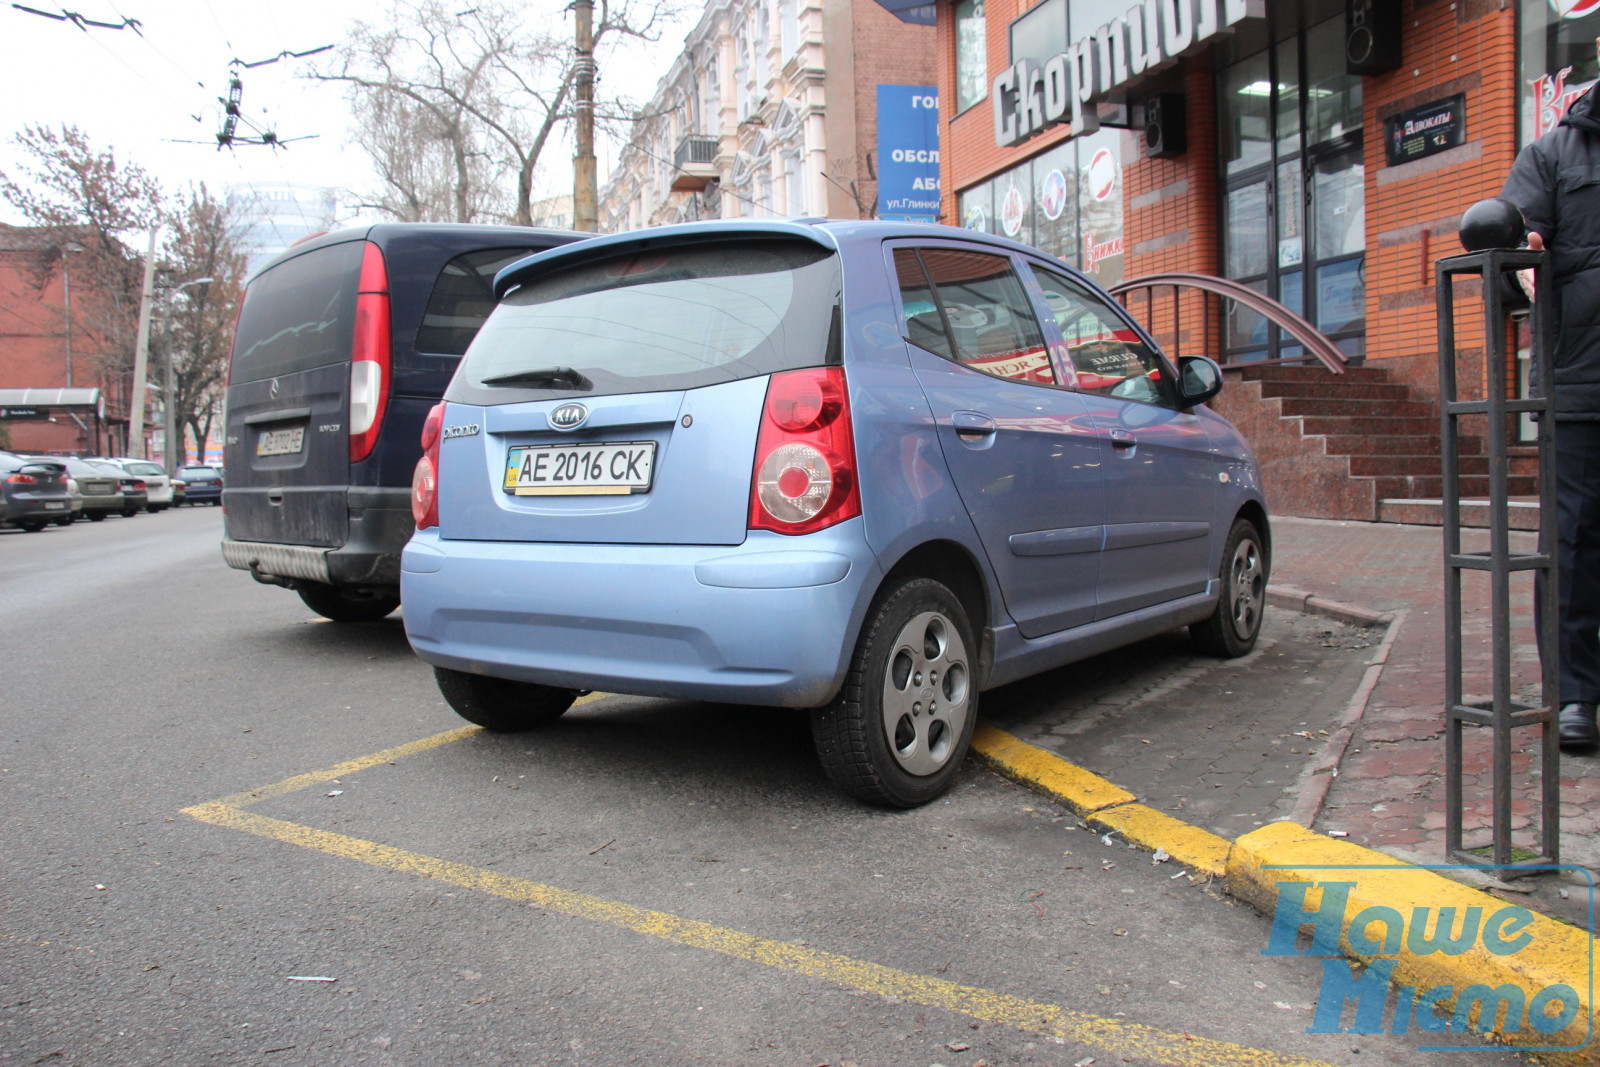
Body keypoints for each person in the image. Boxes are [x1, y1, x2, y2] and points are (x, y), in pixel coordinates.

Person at [1502, 80, 1600, 749]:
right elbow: (1508, 247)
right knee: (1571, 543)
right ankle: (1575, 694)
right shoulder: (1554, 155)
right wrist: (1523, 252)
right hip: (1579, 381)